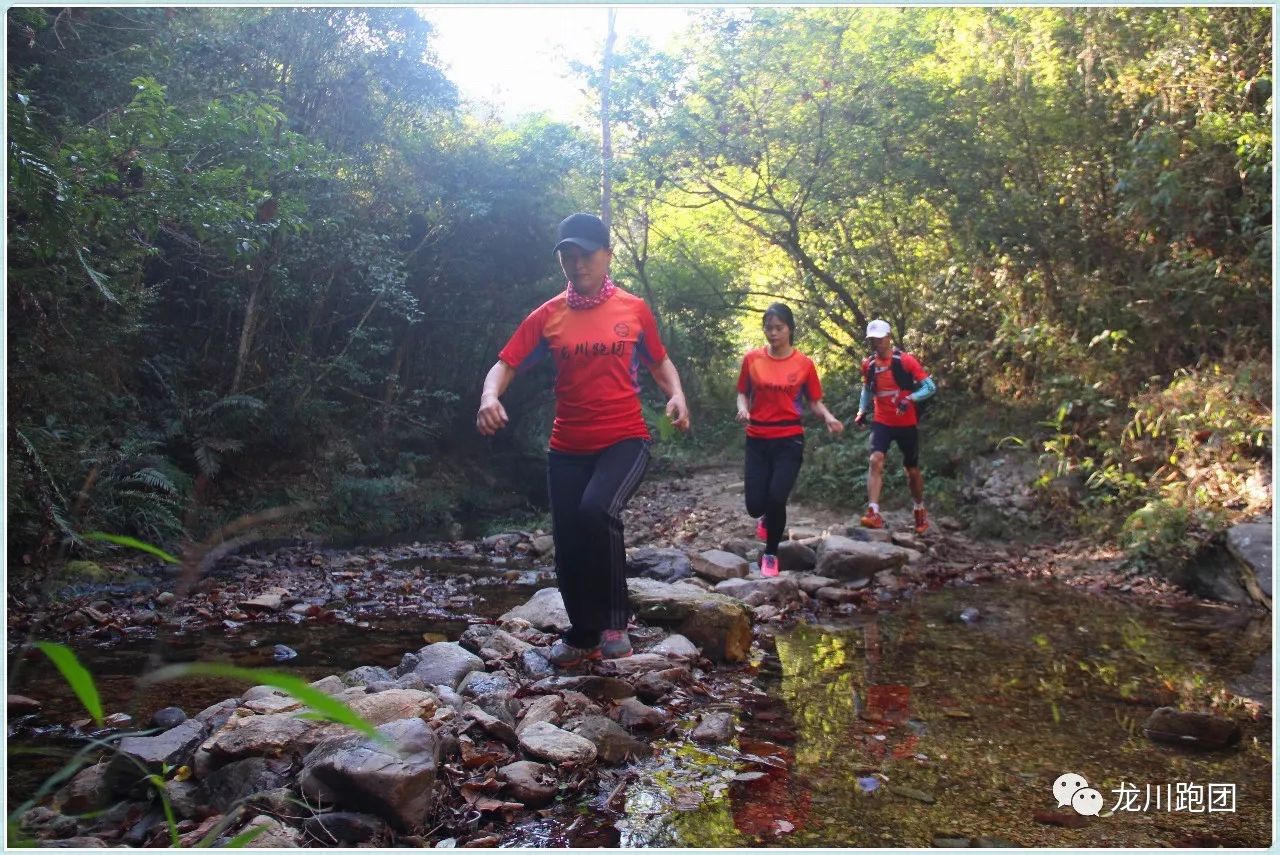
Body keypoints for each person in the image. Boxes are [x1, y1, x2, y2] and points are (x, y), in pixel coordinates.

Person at [476, 212, 690, 667]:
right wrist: (489, 396)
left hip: (625, 439)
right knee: (569, 538)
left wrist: (678, 396)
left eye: (586, 255)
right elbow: (506, 363)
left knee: (597, 510)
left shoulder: (633, 310)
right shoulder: (549, 315)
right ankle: (583, 634)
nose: (577, 265)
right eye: (568, 258)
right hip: (568, 448)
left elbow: (659, 362)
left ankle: (615, 622)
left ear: (607, 256)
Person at [736, 303, 843, 577]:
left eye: (779, 328)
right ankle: (764, 516)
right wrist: (743, 408)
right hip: (757, 438)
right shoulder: (752, 359)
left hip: (789, 440)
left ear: (790, 329)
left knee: (776, 497)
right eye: (769, 328)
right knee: (755, 505)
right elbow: (742, 392)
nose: (773, 333)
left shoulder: (804, 364)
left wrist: (829, 417)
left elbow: (814, 401)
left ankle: (771, 554)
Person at [853, 318, 936, 535]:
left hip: (906, 422)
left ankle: (919, 509)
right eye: (873, 340)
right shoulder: (869, 365)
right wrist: (862, 411)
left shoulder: (906, 361)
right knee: (875, 459)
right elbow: (867, 390)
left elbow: (930, 386)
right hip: (882, 421)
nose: (877, 344)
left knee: (912, 470)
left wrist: (910, 399)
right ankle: (873, 511)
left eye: (880, 339)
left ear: (889, 338)